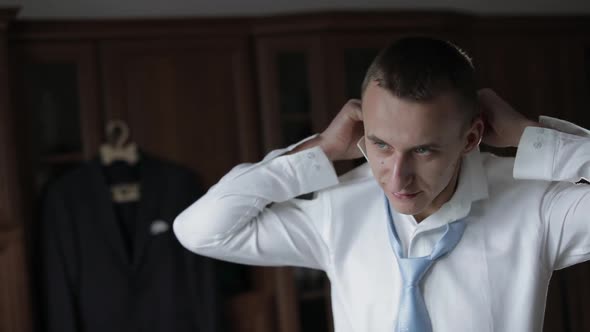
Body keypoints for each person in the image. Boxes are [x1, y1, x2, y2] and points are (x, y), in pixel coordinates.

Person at [173, 37, 590, 331]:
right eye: (381, 145)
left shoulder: (535, 209)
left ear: (470, 138)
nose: (396, 177)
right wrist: (319, 150)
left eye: (423, 150)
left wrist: (530, 136)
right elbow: (201, 230)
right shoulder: (337, 210)